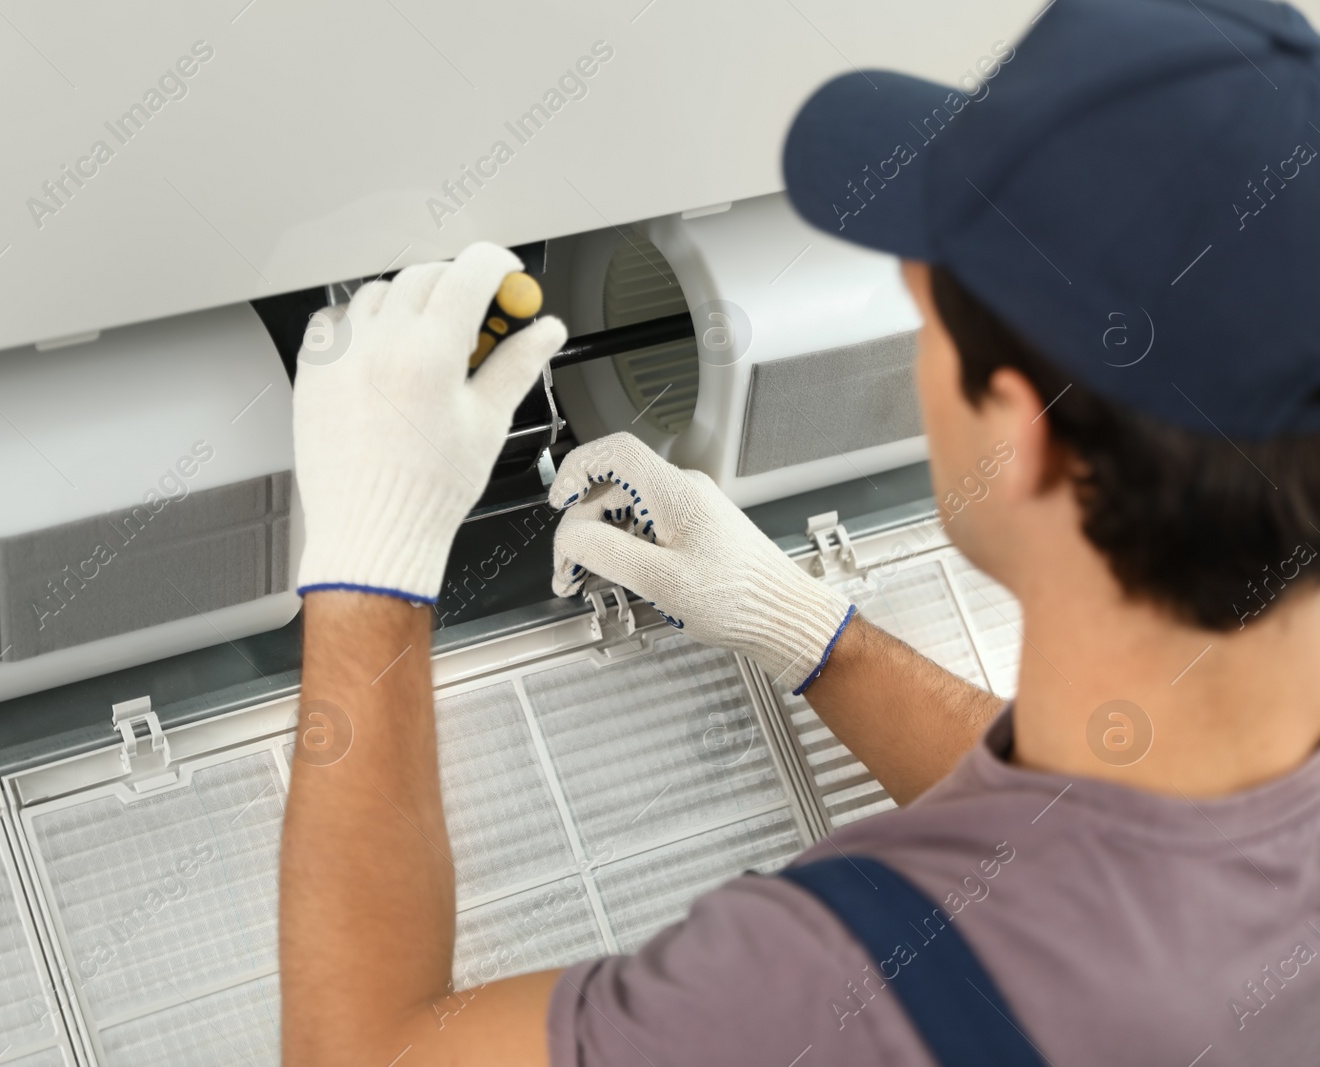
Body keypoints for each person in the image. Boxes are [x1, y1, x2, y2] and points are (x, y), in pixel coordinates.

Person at [278, 0, 1320, 1062]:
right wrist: (815, 633)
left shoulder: (821, 992)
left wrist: (374, 553)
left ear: (1028, 442)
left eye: (925, 314)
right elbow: (1124, 862)